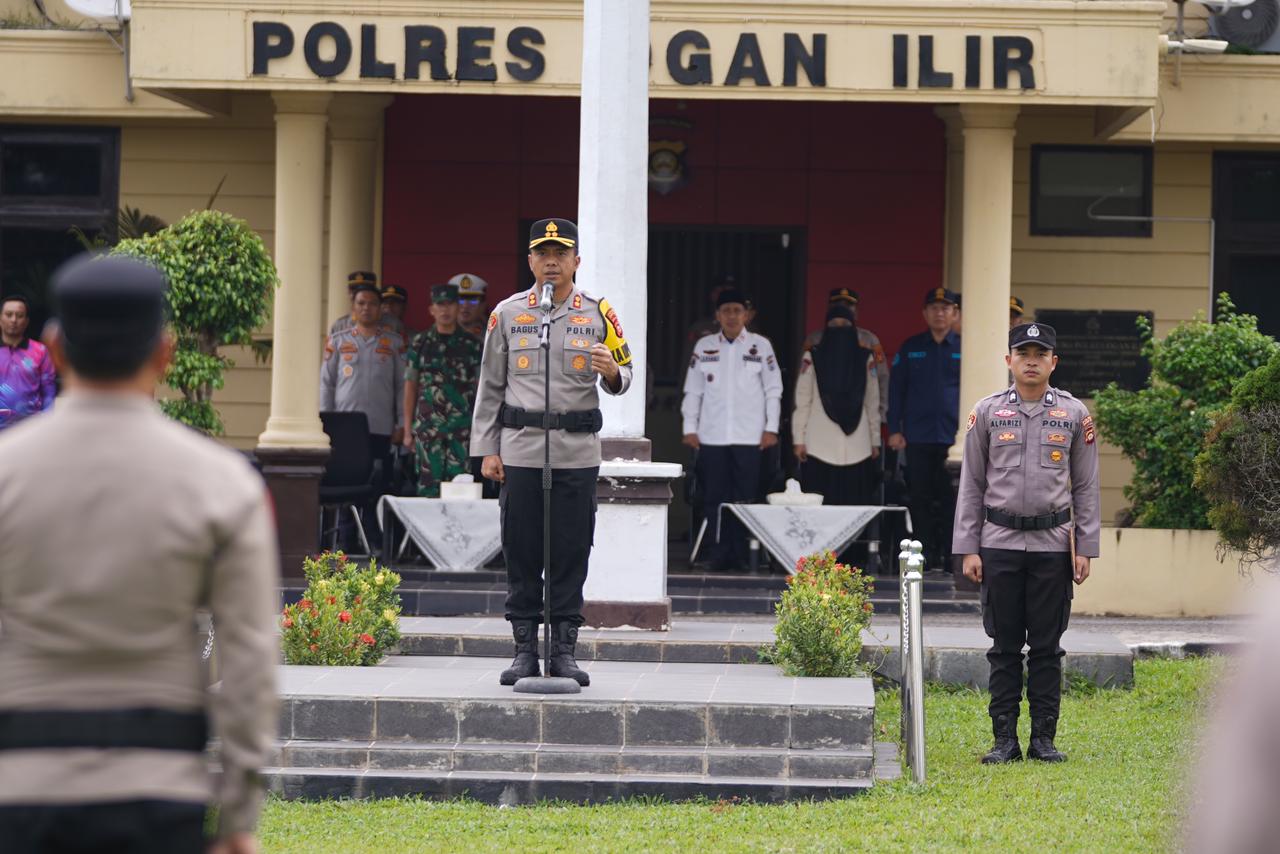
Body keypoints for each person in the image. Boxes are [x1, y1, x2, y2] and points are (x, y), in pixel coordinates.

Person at [0, 254, 278, 854]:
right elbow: (250, 659)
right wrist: (237, 814)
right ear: (165, 353)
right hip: (159, 790)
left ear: (55, 348)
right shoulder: (221, 482)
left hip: (20, 788)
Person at [471, 218, 633, 687]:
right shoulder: (507, 314)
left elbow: (626, 375)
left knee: (570, 551)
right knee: (521, 550)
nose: (551, 262)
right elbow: (490, 385)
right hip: (520, 450)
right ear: (530, 261)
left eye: (560, 253)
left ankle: (563, 652)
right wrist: (487, 449)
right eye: (542, 253)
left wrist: (611, 371)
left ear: (576, 261)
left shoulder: (598, 312)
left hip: (576, 453)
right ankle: (524, 651)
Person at [953, 321, 1099, 765]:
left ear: (1054, 362)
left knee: (1047, 648)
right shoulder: (988, 412)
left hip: (1053, 546)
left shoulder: (1073, 414)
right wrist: (968, 547)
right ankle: (1004, 741)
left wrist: (1085, 547)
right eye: (1023, 353)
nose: (1031, 362)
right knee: (1003, 647)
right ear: (1009, 360)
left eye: (1040, 354)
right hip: (998, 544)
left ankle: (1043, 740)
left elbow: (1086, 486)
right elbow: (971, 484)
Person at [682, 288, 783, 571]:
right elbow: (693, 390)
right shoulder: (704, 346)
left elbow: (773, 389)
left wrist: (771, 428)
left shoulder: (761, 346)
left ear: (746, 315)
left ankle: (743, 553)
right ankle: (718, 553)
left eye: (737, 310)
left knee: (745, 497)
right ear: (717, 315)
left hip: (750, 437)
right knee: (714, 497)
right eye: (726, 310)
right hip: (712, 436)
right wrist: (689, 427)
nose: (731, 316)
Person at [320, 281, 406, 544]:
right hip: (344, 430)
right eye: (361, 303)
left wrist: (402, 423)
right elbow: (326, 385)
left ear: (381, 308)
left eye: (372, 303)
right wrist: (325, 423)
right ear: (353, 307)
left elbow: (402, 387)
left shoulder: (393, 342)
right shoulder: (338, 341)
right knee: (346, 483)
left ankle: (376, 542)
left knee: (378, 485)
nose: (366, 308)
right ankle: (345, 542)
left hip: (381, 428)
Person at [886, 287, 962, 571]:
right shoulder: (911, 347)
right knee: (920, 497)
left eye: (945, 308)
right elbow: (896, 391)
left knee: (952, 499)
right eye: (934, 308)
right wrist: (894, 429)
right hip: (917, 437)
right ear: (925, 313)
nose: (939, 313)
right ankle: (924, 554)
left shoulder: (965, 347)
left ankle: (951, 556)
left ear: (955, 314)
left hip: (954, 438)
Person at [793, 303, 881, 506]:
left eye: (845, 324)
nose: (840, 329)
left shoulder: (865, 357)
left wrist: (875, 440)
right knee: (819, 505)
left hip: (858, 445)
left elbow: (872, 401)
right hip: (819, 444)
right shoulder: (812, 356)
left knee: (854, 505)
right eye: (834, 324)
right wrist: (799, 439)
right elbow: (803, 399)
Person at [403, 283, 482, 497]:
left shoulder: (472, 345)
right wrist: (407, 429)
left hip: (461, 429)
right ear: (432, 309)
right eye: (440, 305)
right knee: (428, 489)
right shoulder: (420, 343)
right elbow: (410, 385)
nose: (445, 310)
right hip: (429, 428)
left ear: (458, 308)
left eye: (450, 304)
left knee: (461, 489)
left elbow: (481, 388)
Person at [801, 288, 889, 421]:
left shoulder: (869, 340)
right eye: (837, 305)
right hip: (821, 413)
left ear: (856, 311)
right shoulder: (814, 340)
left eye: (848, 306)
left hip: (861, 413)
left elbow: (882, 377)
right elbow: (802, 379)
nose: (843, 310)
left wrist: (881, 412)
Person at [0, 295, 56, 431]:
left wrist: (46, 423)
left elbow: (49, 391)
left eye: (19, 315)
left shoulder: (40, 351)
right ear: (0, 318)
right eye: (9, 314)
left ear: (26, 321)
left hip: (30, 427)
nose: (14, 320)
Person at [329, 270, 380, 335]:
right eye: (354, 290)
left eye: (364, 289)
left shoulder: (389, 324)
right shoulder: (339, 325)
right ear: (349, 292)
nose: (358, 294)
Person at [452, 272, 489, 338]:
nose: (465, 306)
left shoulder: (492, 335)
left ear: (483, 305)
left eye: (473, 301)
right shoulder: (438, 335)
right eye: (460, 300)